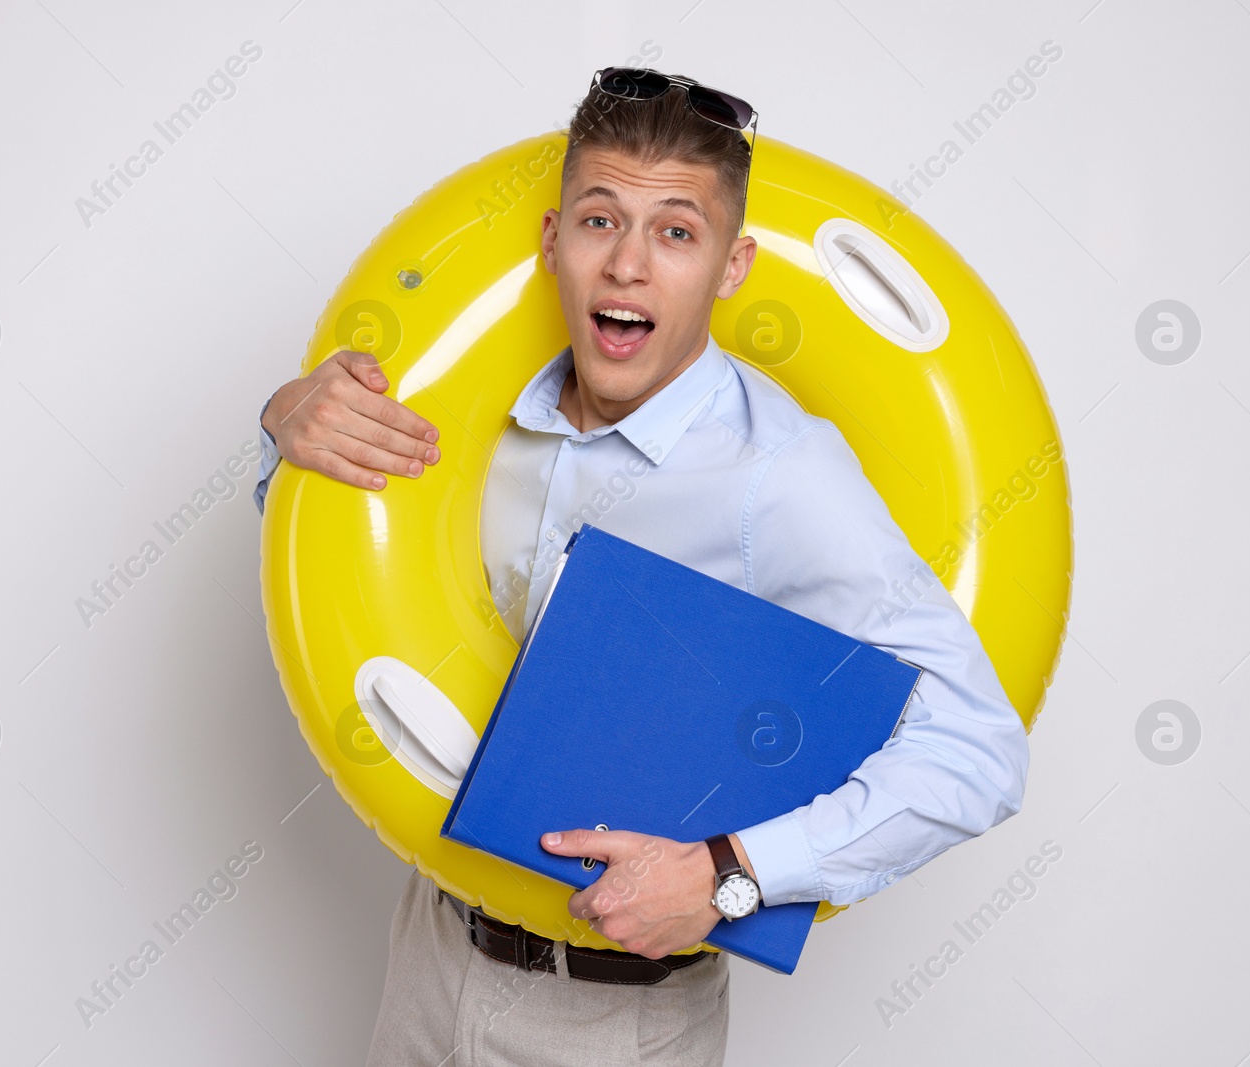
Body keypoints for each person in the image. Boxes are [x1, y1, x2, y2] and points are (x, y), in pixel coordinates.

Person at [251, 67, 1029, 1067]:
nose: (627, 265)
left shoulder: (781, 476)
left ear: (731, 265)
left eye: (675, 231)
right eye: (599, 220)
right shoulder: (458, 424)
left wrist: (729, 872)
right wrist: (285, 430)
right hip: (431, 954)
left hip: (623, 1018)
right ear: (550, 240)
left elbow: (978, 748)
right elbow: (336, 575)